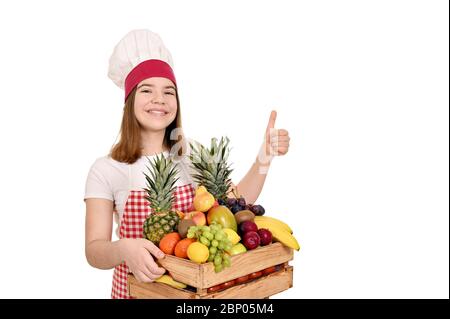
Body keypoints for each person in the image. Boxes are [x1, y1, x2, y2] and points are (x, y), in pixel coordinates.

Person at [84, 29, 290, 299]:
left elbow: (236, 203)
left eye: (169, 92)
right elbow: (94, 250)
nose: (160, 99)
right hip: (134, 292)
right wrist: (124, 248)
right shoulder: (106, 168)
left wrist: (265, 156)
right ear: (130, 100)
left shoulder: (191, 154)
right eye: (147, 90)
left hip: (190, 296)